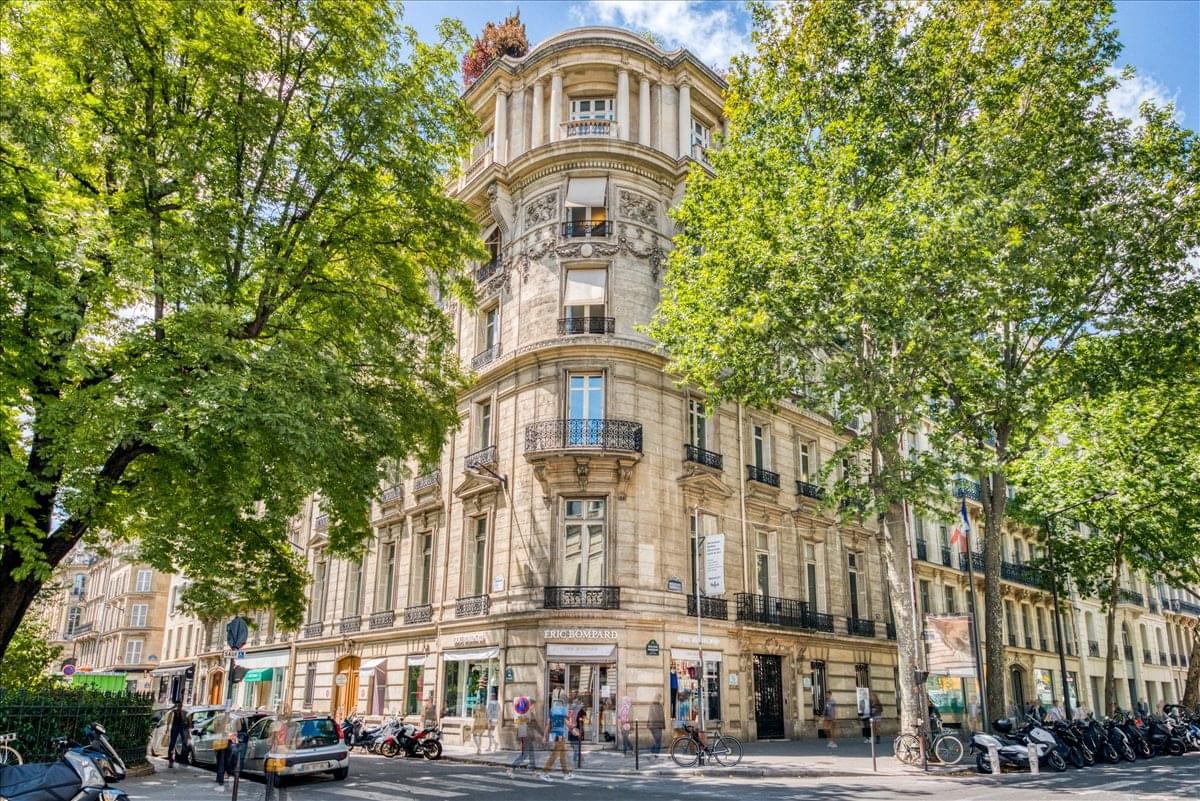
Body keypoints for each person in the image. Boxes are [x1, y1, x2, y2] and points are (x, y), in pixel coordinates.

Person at [542, 691, 572, 781]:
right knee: (555, 755)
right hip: (560, 735)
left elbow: (547, 724)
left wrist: (544, 736)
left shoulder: (552, 711)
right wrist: (570, 717)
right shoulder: (563, 711)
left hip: (552, 734)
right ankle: (545, 773)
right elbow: (568, 724)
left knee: (562, 754)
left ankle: (566, 774)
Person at [508, 699, 542, 777]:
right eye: (533, 705)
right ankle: (511, 768)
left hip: (528, 737)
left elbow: (535, 726)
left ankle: (534, 771)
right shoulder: (527, 714)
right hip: (526, 737)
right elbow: (522, 726)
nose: (534, 707)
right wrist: (520, 740)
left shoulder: (527, 714)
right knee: (524, 755)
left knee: (531, 755)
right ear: (530, 705)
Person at [167, 701, 188, 768]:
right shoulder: (173, 712)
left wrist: (188, 729)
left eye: (181, 705)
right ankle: (170, 759)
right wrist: (167, 728)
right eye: (179, 705)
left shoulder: (184, 712)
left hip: (182, 727)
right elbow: (169, 719)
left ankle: (182, 758)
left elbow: (186, 720)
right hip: (175, 727)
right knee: (172, 743)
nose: (180, 707)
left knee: (184, 742)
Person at [567, 694, 586, 767]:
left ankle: (577, 758)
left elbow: (584, 715)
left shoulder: (579, 710)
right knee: (574, 744)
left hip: (576, 728)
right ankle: (578, 756)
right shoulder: (571, 711)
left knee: (575, 744)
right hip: (574, 728)